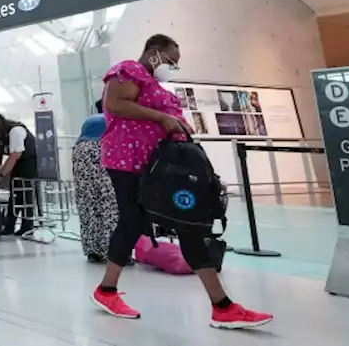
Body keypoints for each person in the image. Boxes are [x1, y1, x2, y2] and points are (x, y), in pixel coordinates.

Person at [91, 34, 272, 329]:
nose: (173, 66)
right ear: (154, 52)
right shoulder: (128, 70)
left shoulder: (152, 83)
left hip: (160, 163)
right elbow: (114, 103)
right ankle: (107, 290)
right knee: (134, 221)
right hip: (128, 161)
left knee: (187, 222)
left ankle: (221, 306)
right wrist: (161, 118)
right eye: (171, 60)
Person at [0, 111, 38, 236]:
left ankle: (27, 225)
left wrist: (1, 174)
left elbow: (14, 156)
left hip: (29, 162)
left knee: (25, 193)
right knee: (14, 194)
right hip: (17, 163)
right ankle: (9, 226)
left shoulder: (15, 131)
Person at [73, 101, 114, 262]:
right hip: (101, 151)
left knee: (87, 204)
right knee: (109, 204)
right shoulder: (112, 119)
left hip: (80, 155)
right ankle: (111, 250)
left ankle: (92, 250)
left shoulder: (89, 120)